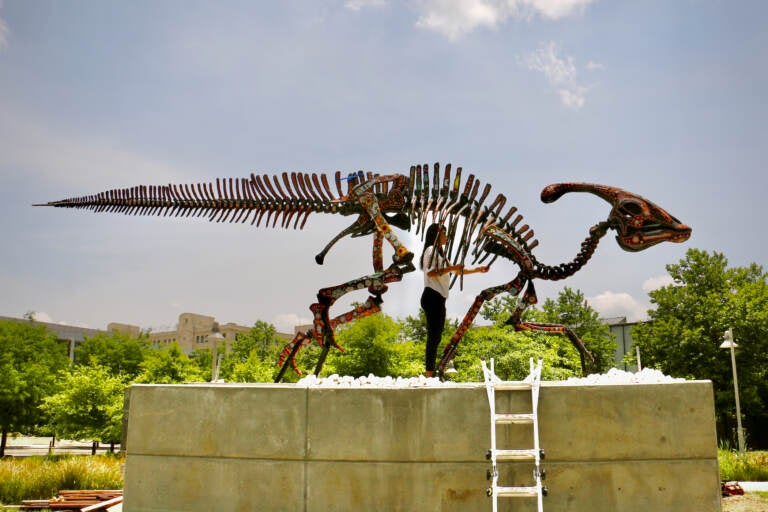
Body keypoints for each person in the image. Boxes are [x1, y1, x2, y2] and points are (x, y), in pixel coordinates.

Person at [420, 223, 488, 377]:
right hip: (432, 296)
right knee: (433, 337)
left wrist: (477, 269)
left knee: (436, 337)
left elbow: (457, 271)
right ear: (437, 234)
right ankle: (429, 373)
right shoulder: (430, 250)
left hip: (438, 298)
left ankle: (431, 372)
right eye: (444, 233)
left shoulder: (440, 252)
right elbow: (431, 273)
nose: (446, 236)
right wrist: (452, 268)